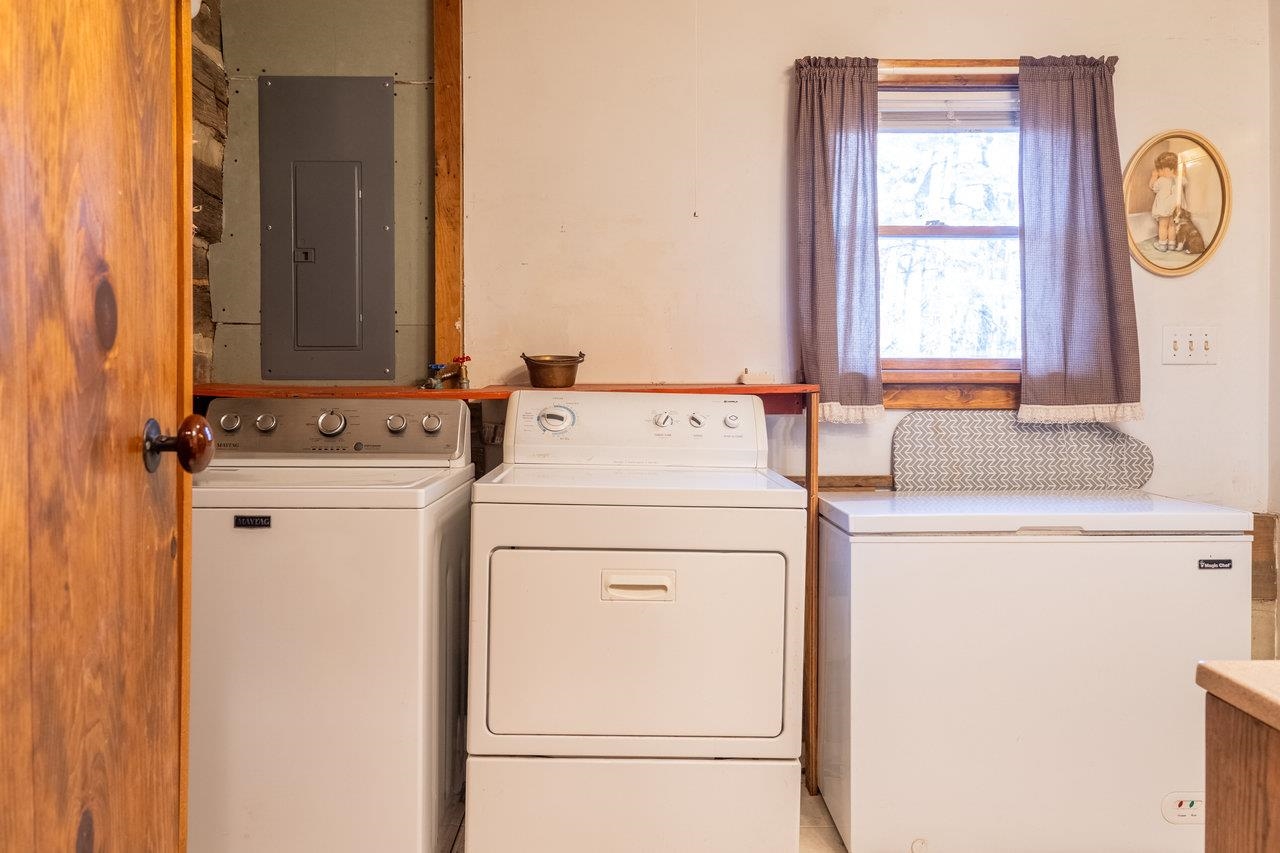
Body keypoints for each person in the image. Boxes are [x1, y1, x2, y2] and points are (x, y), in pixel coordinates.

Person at [1148, 151, 1181, 252]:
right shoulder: (1176, 180)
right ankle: (1171, 244)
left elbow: (1152, 187)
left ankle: (1162, 244)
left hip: (1163, 208)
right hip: (1173, 207)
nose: (1159, 172)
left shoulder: (1161, 180)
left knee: (1162, 225)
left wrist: (1154, 177)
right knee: (1171, 225)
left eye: (1160, 169)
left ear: (1168, 169)